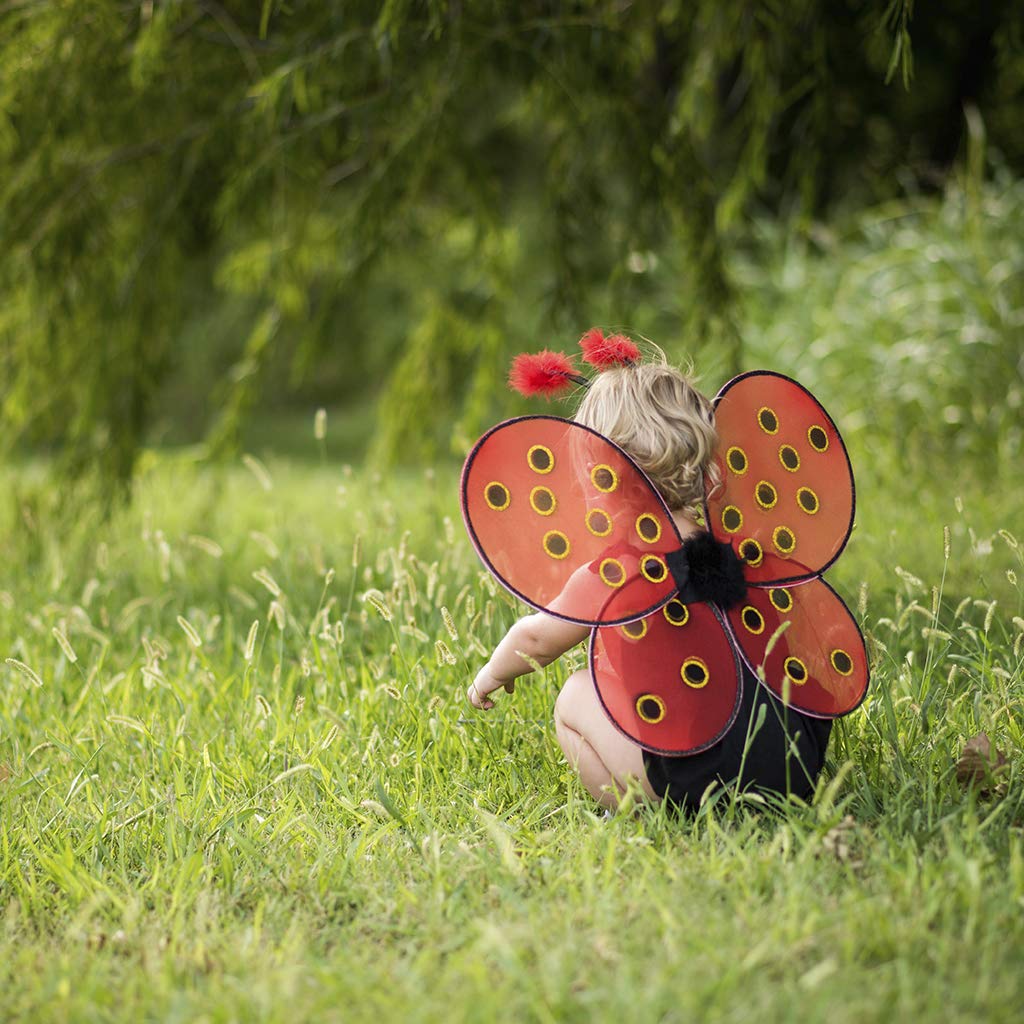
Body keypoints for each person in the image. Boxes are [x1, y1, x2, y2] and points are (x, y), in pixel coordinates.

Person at [466, 349, 832, 813]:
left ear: (600, 477)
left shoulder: (618, 571)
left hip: (700, 779)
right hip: (792, 765)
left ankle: (641, 810)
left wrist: (490, 675)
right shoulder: (746, 553)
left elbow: (536, 639)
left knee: (576, 694)